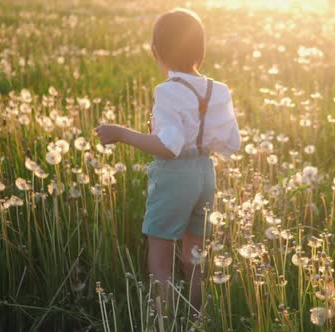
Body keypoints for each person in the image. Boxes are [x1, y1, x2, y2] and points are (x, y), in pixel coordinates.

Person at [94, 8, 241, 314]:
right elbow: (231, 143)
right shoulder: (220, 90)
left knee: (160, 259)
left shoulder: (168, 92)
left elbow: (167, 148)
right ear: (201, 51)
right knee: (195, 258)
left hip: (175, 176)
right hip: (205, 172)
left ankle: (164, 320)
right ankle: (199, 316)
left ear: (156, 52)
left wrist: (120, 133)